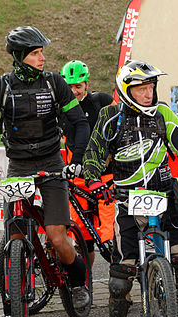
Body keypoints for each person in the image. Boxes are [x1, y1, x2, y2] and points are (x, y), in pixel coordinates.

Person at [81, 59, 178, 317]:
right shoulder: (110, 116)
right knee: (121, 272)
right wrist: (95, 179)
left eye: (150, 87)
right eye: (140, 88)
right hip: (128, 197)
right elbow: (94, 153)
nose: (147, 93)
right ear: (127, 90)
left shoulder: (163, 113)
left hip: (165, 192)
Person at [0, 26, 91, 317]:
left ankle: (78, 283)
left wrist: (76, 160)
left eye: (42, 52)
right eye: (36, 53)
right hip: (18, 166)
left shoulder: (55, 83)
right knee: (12, 241)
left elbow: (80, 123)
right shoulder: (0, 86)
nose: (42, 58)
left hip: (52, 163)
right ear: (19, 57)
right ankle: (11, 313)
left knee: (56, 238)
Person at [59, 59, 115, 267]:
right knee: (83, 239)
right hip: (78, 179)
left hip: (104, 175)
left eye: (78, 87)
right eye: (69, 87)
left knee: (108, 236)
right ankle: (85, 280)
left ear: (86, 85)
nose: (74, 91)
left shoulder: (101, 101)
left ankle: (119, 289)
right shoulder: (61, 110)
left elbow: (119, 129)